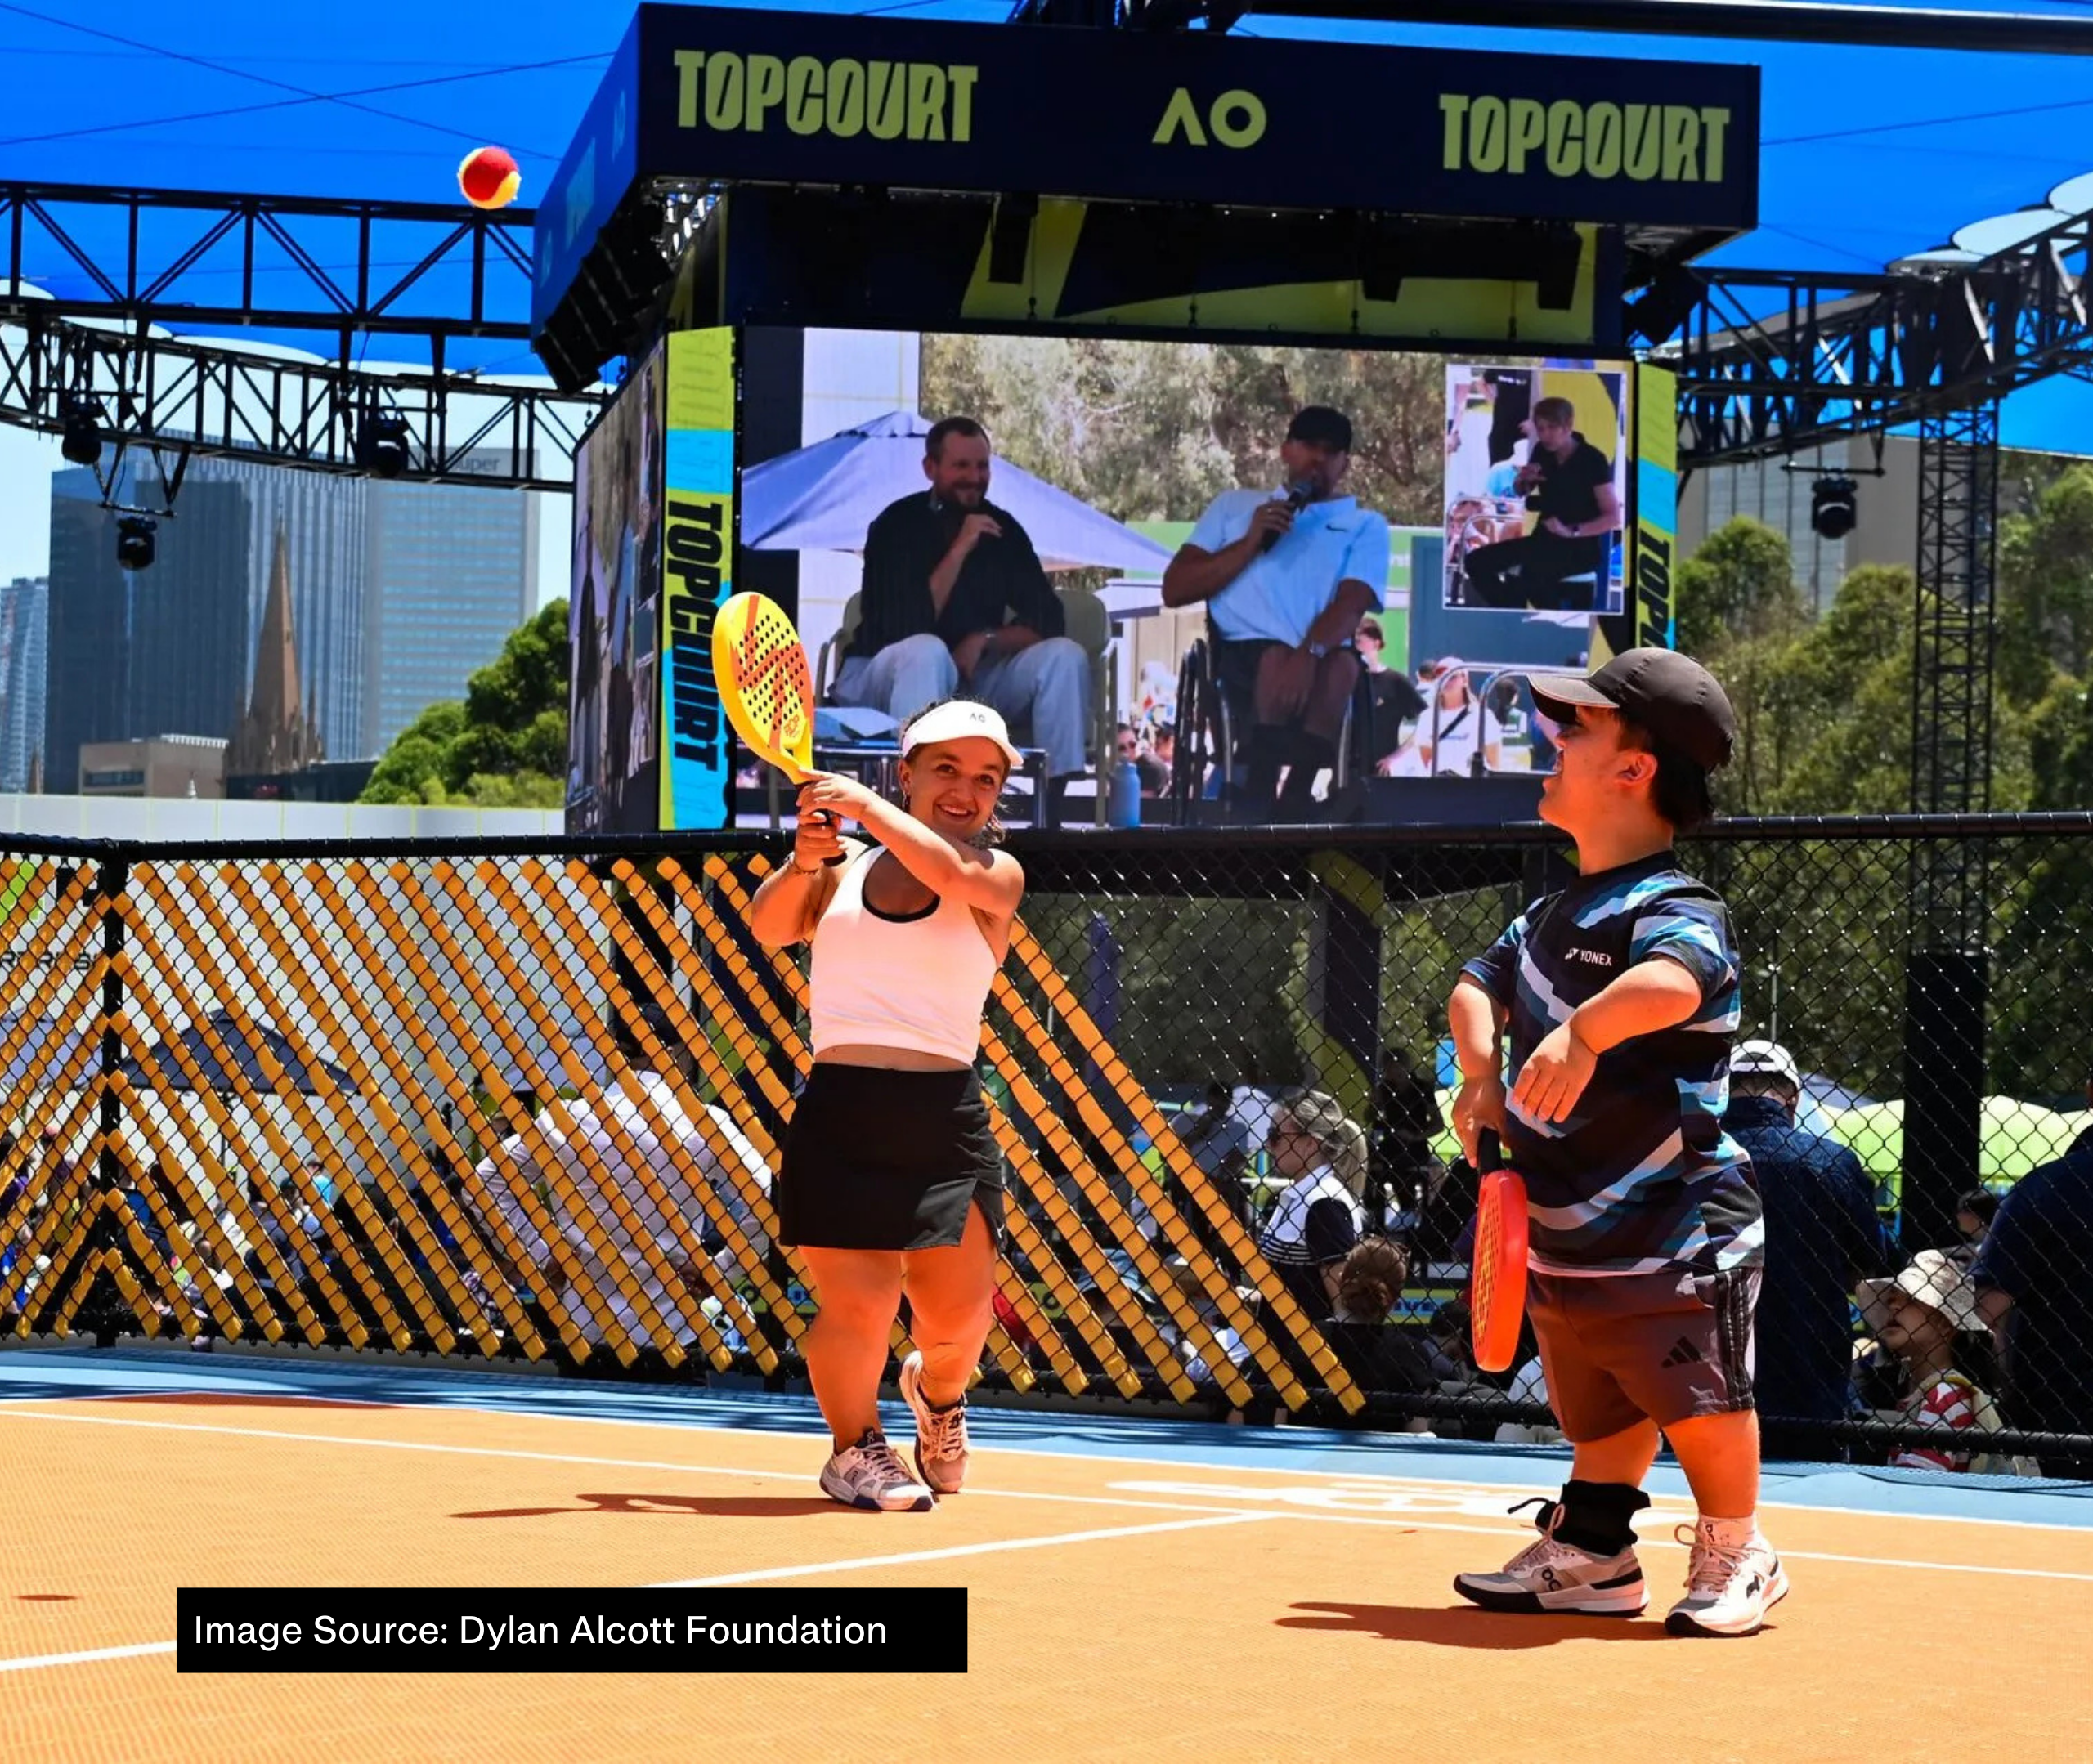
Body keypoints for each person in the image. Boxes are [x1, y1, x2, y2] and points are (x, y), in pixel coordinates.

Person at [1445, 647, 1784, 1639]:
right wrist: (1480, 1073)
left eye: (1577, 729)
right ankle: (1595, 1550)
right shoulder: (1548, 911)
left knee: (1702, 1398)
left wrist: (1585, 1027)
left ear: (1634, 771)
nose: (1552, 741)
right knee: (1597, 1393)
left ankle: (1739, 1545)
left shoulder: (1677, 907)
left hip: (1676, 1224)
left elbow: (1676, 983)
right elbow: (1476, 984)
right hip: (1563, 1226)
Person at [748, 696, 1027, 1513]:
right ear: (907, 772)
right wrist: (804, 862)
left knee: (959, 1319)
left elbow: (946, 869)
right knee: (859, 1301)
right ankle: (853, 1450)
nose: (965, 790)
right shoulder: (841, 871)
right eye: (946, 768)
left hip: (944, 1119)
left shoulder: (992, 876)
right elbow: (770, 927)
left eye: (986, 777)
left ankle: (937, 1399)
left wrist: (863, 807)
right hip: (843, 1112)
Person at [475, 1002, 774, 1361]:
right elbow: (768, 1198)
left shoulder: (567, 1120)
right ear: (674, 1052)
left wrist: (539, 1253)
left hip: (584, 1318)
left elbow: (486, 1180)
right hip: (674, 1324)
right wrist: (722, 1268)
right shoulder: (703, 1125)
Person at [832, 417, 1091, 817]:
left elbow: (1047, 617)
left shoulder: (1003, 529)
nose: (974, 478)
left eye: (982, 466)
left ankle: (1051, 812)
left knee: (1064, 655)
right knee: (927, 651)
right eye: (961, 466)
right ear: (931, 468)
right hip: (883, 673)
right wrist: (961, 547)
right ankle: (913, 813)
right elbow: (906, 623)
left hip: (971, 680)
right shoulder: (895, 525)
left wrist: (986, 640)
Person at [1162, 407, 1392, 821]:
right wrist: (1251, 542)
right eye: (1308, 447)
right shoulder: (1234, 507)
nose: (1318, 460)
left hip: (1321, 658)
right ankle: (1260, 787)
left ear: (1345, 463)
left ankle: (1296, 794)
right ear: (1287, 451)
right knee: (1272, 658)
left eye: (1331, 451)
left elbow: (1352, 602)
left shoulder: (1366, 525)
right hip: (1240, 659)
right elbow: (1176, 588)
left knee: (1342, 666)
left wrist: (1307, 655)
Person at [1720, 1037, 1886, 1461]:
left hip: (1708, 1362)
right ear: (1792, 1100)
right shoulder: (1831, 1161)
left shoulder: (1692, 1157)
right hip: (1808, 1366)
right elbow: (1875, 1257)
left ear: (1722, 1092)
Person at [1973, 1070, 2093, 1480]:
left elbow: (1989, 1308)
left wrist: (2006, 1386)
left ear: (2090, 1093)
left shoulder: (2045, 1187)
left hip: (2061, 1403)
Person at [1858, 1251, 2032, 1476]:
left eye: (1912, 1299)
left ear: (1945, 1323)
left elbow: (1912, 1487)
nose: (1894, 1307)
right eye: (1891, 1299)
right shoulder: (1933, 1392)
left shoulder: (1942, 1397)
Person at [1462, 395, 1621, 612]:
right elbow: (1521, 491)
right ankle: (1513, 614)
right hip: (1543, 541)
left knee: (1531, 578)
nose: (1545, 435)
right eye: (1540, 428)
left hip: (1579, 549)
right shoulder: (1541, 452)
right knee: (1476, 562)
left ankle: (1533, 623)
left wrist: (1571, 531)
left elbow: (1612, 517)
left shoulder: (1592, 460)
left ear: (1568, 426)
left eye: (1551, 428)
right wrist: (1523, 482)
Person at [1254, 1087, 1369, 1326]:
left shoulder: (1323, 1203)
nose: (1268, 1146)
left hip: (1306, 1356)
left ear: (1309, 1144)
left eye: (1276, 1136)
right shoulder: (1303, 1197)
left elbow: (1343, 1306)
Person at [1356, 614, 1425, 770]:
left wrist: (1395, 757)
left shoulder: (1395, 682)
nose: (1356, 647)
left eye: (1360, 642)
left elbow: (1425, 722)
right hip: (1349, 768)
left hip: (1381, 767)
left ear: (1376, 643)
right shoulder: (1349, 680)